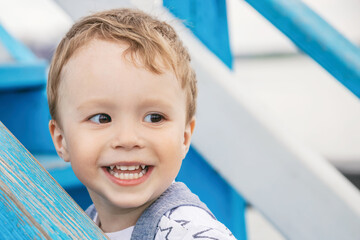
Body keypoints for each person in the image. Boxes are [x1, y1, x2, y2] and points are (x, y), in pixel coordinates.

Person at [47, 8, 236, 240]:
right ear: (61, 140)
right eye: (101, 118)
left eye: (154, 118)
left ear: (184, 138)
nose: (127, 139)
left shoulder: (189, 232)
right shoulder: (77, 225)